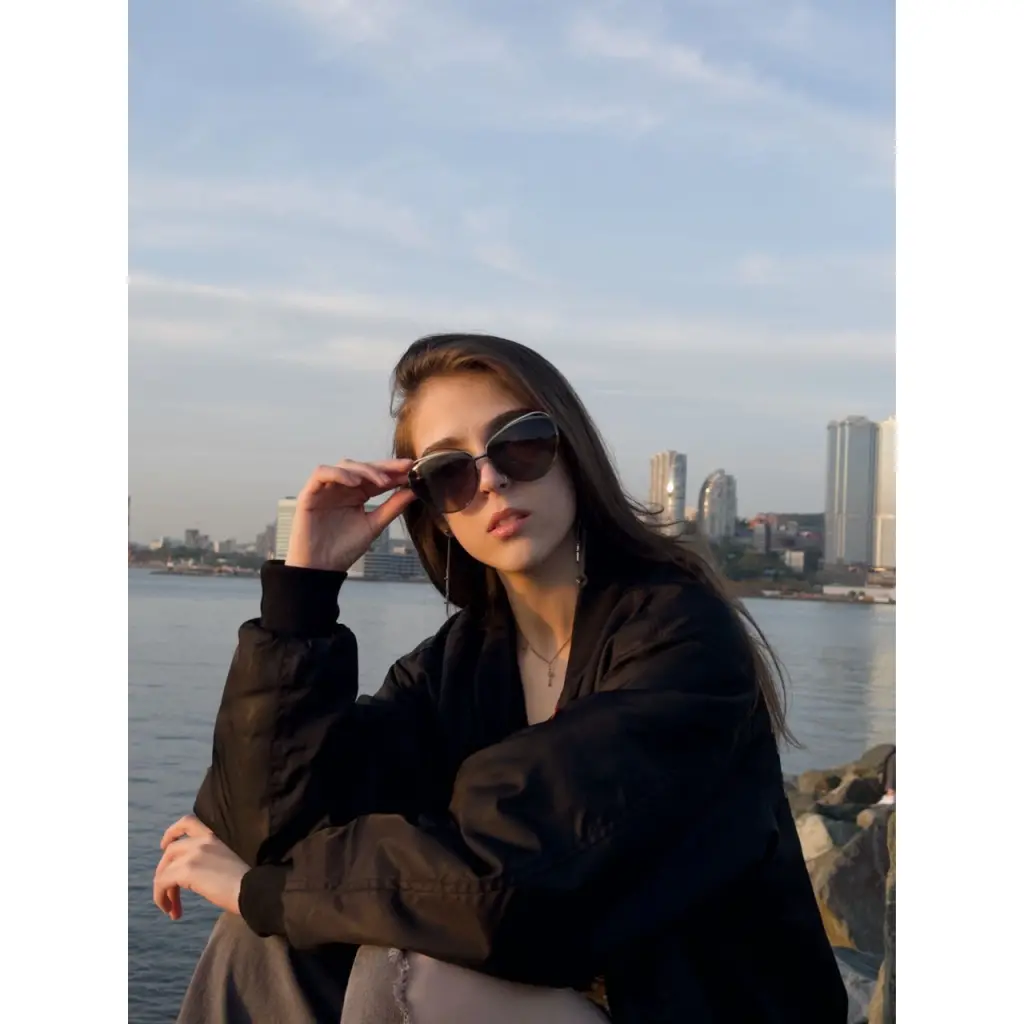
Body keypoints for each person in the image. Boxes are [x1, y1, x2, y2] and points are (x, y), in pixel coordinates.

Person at [153, 334, 849, 1023]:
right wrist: (303, 598)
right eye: (450, 472)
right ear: (432, 509)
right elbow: (268, 832)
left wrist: (267, 892)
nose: (490, 480)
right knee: (258, 940)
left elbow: (507, 882)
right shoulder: (459, 665)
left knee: (399, 967)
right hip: (559, 996)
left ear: (572, 453)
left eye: (520, 444)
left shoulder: (678, 638)